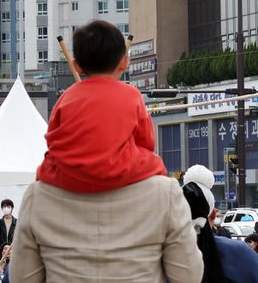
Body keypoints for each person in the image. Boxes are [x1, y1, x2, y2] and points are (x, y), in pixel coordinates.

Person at [11, 22, 204, 283]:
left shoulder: (40, 194)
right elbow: (187, 279)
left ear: (75, 65)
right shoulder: (164, 193)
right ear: (125, 61)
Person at [36, 20, 166, 193]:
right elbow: (146, 142)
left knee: (47, 165)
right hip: (122, 171)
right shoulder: (132, 95)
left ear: (76, 66)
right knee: (156, 163)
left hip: (69, 176)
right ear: (124, 62)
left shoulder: (66, 97)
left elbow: (53, 139)